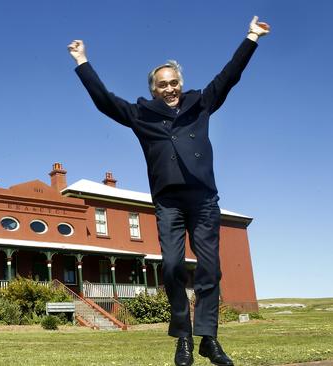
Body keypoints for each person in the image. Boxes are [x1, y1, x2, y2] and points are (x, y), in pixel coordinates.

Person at [68, 16, 270, 366]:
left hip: (204, 198)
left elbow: (230, 75)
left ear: (181, 83)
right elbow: (104, 101)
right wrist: (83, 62)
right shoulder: (141, 114)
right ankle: (184, 340)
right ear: (154, 89)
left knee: (210, 269)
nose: (170, 89)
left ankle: (208, 339)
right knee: (174, 266)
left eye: (174, 82)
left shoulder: (200, 103)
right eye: (163, 85)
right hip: (168, 202)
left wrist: (251, 37)